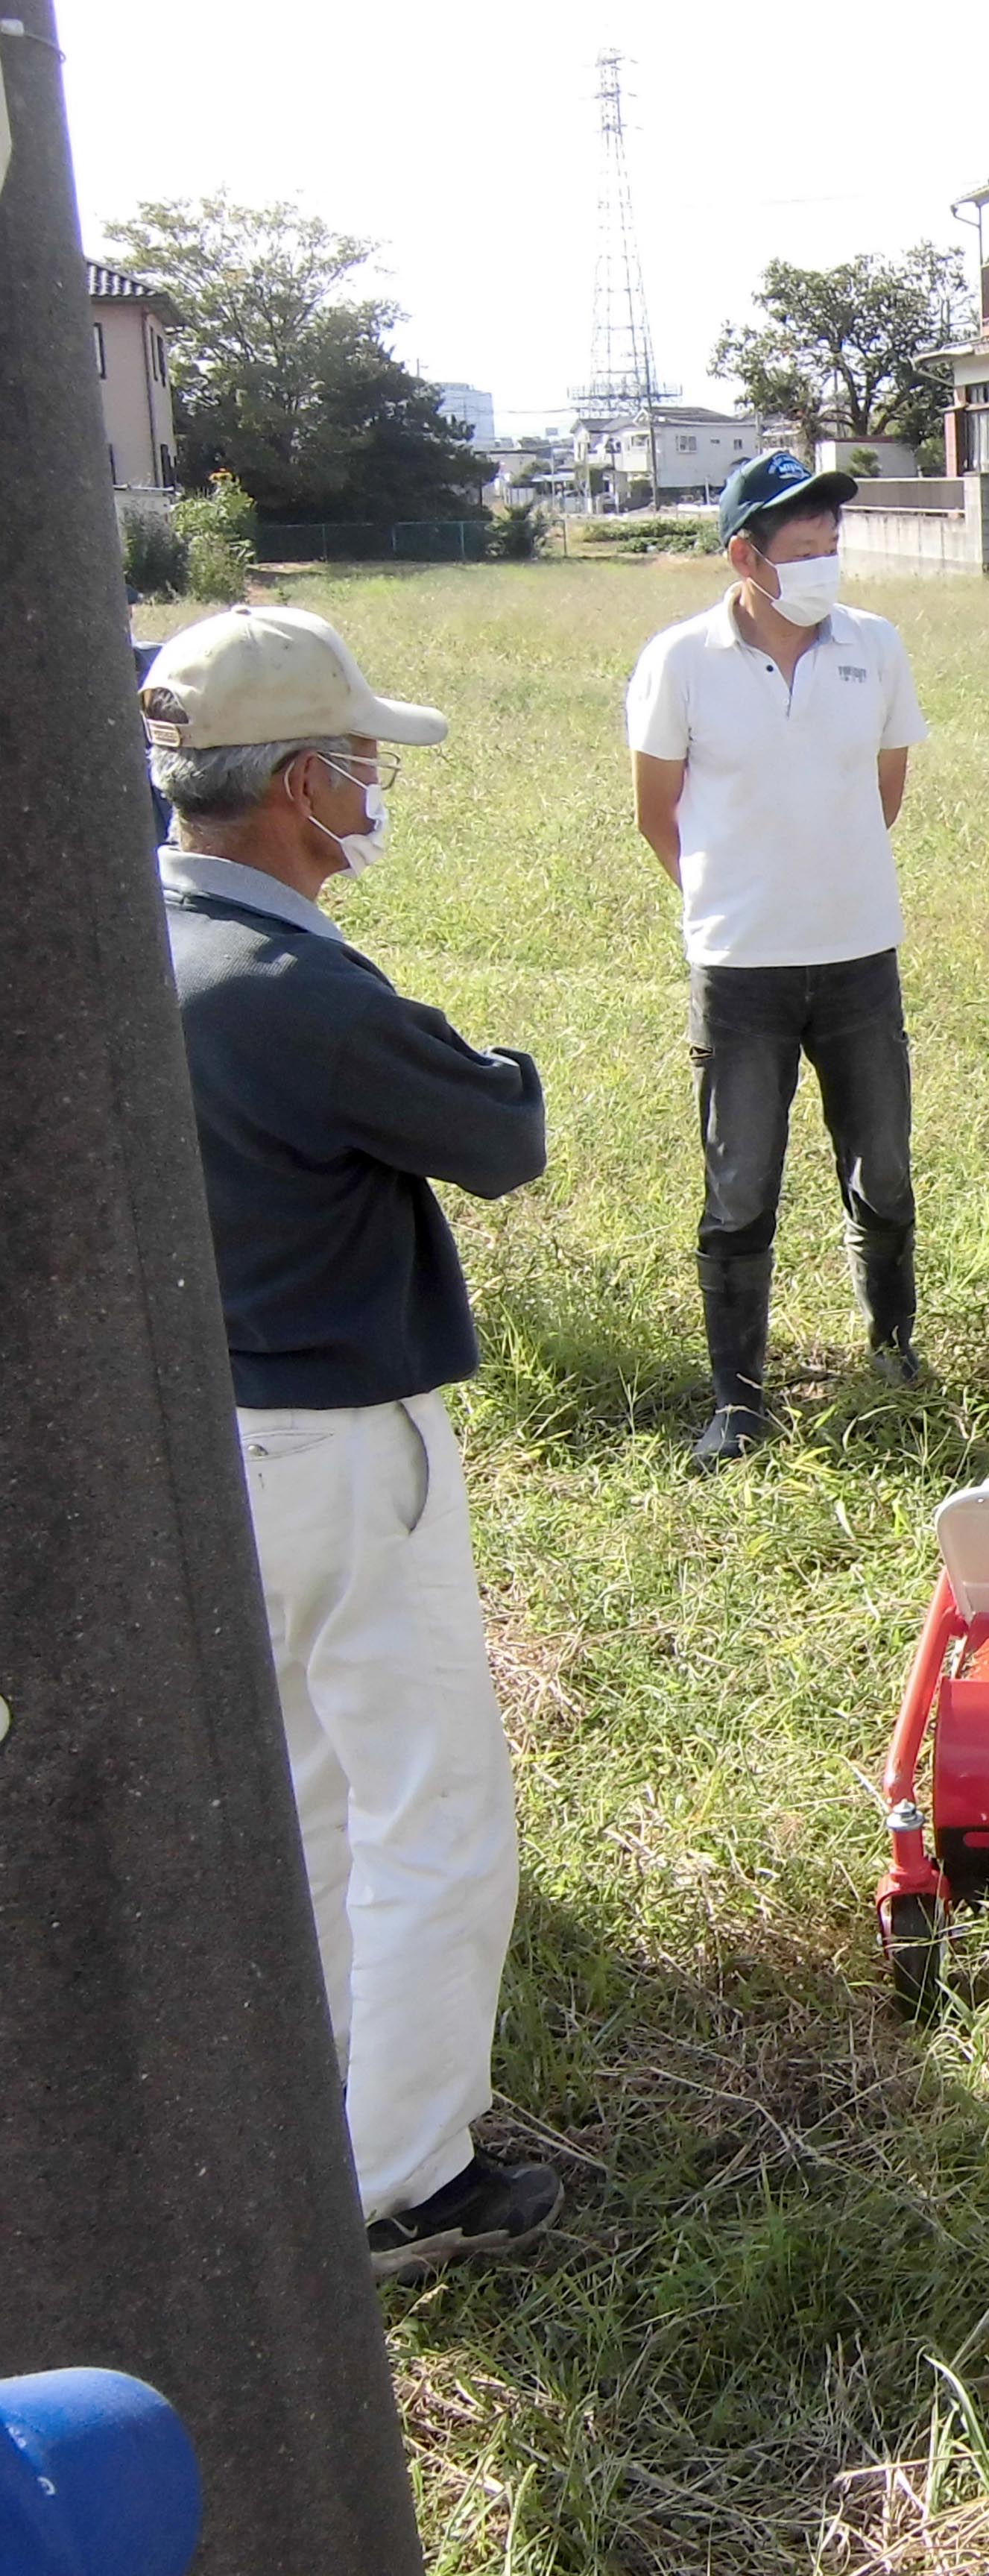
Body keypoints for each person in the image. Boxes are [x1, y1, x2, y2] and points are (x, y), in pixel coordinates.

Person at [141, 605, 560, 2280]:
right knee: (430, 1803)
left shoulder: (124, 943)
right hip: (336, 1442)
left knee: (305, 1788)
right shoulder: (296, 985)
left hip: (203, 1440)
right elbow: (502, 1129)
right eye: (363, 758)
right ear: (304, 784)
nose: (377, 784)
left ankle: (307, 2103)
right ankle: (400, 2178)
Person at [625, 449, 929, 1467]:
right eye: (805, 550)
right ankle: (739, 1401)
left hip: (858, 959)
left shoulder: (874, 647)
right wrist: (736, 900)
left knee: (881, 1165)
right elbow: (656, 814)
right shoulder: (681, 661)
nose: (827, 566)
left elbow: (885, 791)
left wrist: (824, 882)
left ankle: (893, 1348)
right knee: (739, 1181)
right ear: (743, 556)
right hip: (740, 971)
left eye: (834, 546)